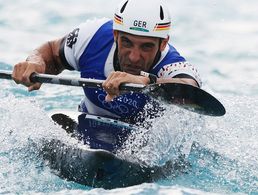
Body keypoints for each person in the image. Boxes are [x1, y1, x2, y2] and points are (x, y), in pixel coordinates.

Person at [12, 0, 202, 123]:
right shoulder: (92, 36)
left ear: (163, 44)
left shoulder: (173, 64)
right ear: (115, 34)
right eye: (127, 42)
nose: (134, 56)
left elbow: (190, 88)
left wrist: (146, 82)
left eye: (146, 47)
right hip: (89, 122)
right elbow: (53, 52)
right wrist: (36, 64)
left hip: (144, 143)